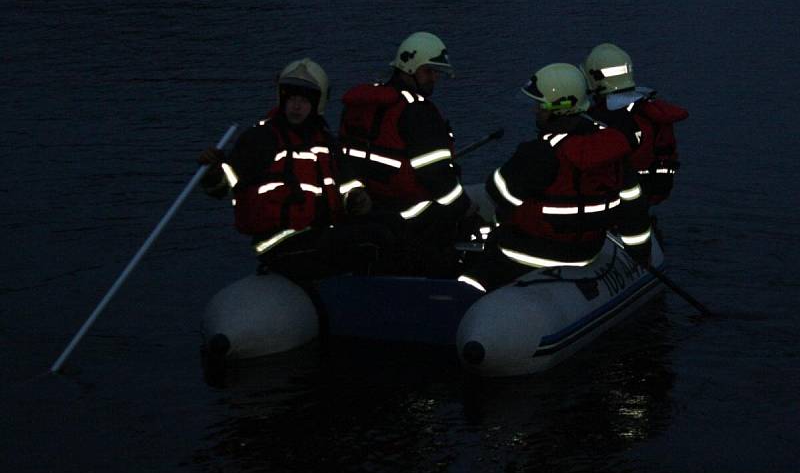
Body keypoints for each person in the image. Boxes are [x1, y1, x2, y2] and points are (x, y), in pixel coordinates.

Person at [198, 58, 387, 281]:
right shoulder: (261, 139)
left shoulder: (326, 142)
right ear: (282, 99)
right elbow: (222, 187)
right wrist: (213, 172)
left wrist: (357, 198)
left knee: (387, 226)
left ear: (317, 103)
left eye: (304, 100)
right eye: (292, 99)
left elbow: (347, 186)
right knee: (373, 240)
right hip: (279, 242)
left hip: (317, 235)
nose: (296, 106)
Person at [458, 63, 635, 292]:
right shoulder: (610, 149)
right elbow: (632, 204)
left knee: (469, 275)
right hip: (587, 251)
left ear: (559, 107)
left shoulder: (539, 153)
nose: (536, 110)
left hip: (528, 256)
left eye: (541, 105)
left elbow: (496, 193)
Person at [338, 31, 473, 276]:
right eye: (428, 71)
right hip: (409, 213)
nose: (434, 78)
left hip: (366, 207)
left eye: (436, 73)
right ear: (409, 68)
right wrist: (467, 209)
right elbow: (438, 180)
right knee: (460, 222)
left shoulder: (363, 105)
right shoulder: (419, 113)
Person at [581, 43, 689, 261]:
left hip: (623, 200)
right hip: (651, 193)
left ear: (593, 78)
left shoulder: (609, 118)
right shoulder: (646, 108)